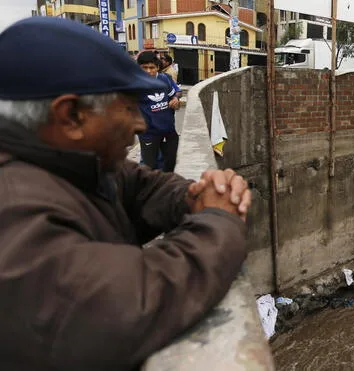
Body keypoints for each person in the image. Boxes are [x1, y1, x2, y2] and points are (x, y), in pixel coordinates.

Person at [0, 17, 251, 370]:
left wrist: (194, 197)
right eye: (130, 107)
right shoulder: (13, 213)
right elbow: (123, 307)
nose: (141, 123)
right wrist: (218, 221)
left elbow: (139, 185)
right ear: (71, 116)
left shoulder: (73, 163)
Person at [137, 51, 181, 172]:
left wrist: (175, 99)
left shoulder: (165, 79)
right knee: (148, 168)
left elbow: (176, 93)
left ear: (157, 67)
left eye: (152, 67)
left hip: (169, 131)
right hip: (148, 134)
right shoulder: (135, 85)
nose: (148, 71)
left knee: (170, 165)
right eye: (144, 68)